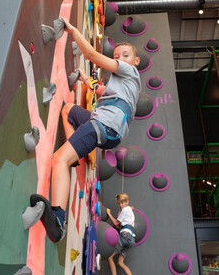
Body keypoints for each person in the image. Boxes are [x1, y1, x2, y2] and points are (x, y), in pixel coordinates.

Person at [31, 18, 141, 243]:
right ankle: (74, 154)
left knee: (57, 160)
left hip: (104, 125)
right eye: (117, 56)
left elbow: (92, 55)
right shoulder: (124, 84)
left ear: (136, 61)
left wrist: (73, 30)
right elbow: (102, 90)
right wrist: (86, 80)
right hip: (107, 128)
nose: (119, 59)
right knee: (69, 110)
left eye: (125, 55)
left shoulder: (129, 72)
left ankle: (59, 219)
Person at [106, 193, 135, 275]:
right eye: (119, 203)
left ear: (127, 202)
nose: (121, 205)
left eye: (122, 203)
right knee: (120, 263)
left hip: (125, 237)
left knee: (110, 257)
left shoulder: (125, 210)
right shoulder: (128, 209)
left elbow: (116, 223)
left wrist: (109, 213)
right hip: (131, 239)